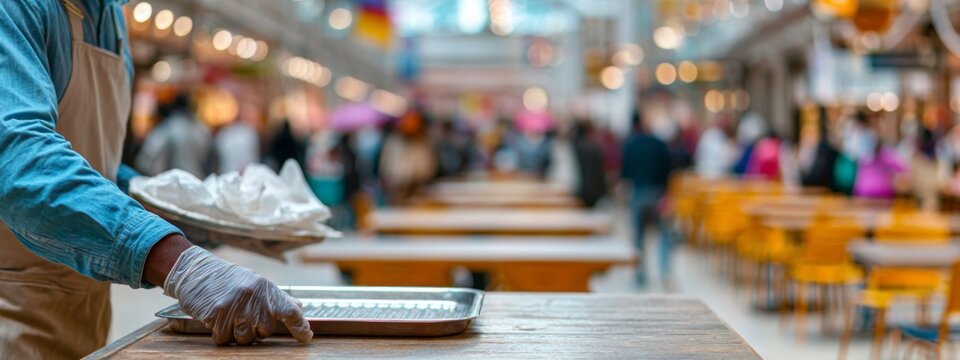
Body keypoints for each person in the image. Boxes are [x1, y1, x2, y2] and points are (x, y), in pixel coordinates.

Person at [0, 2, 312, 358]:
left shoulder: (111, 18)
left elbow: (98, 167)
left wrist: (200, 218)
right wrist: (180, 263)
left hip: (82, 314)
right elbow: (20, 163)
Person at [621, 112, 673, 284]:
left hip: (637, 193)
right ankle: (664, 270)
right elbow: (668, 171)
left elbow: (625, 172)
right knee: (664, 234)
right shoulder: (659, 144)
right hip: (657, 194)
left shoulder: (630, 144)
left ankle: (640, 274)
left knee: (638, 236)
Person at [135, 93, 212, 177]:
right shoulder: (201, 129)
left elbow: (149, 156)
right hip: (196, 180)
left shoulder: (168, 127)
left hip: (171, 182)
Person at [572, 121, 607, 208]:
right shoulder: (593, 148)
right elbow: (599, 172)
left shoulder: (572, 146)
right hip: (592, 191)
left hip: (576, 190)